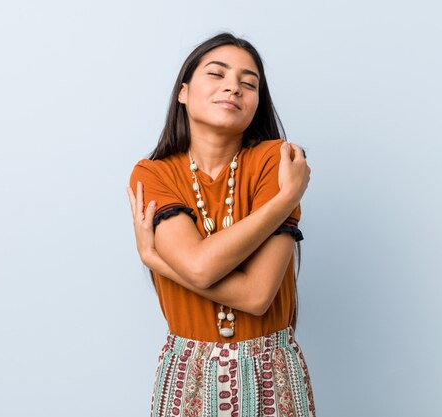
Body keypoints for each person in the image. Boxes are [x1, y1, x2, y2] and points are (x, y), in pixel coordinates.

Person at [126, 32, 316, 417]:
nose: (234, 86)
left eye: (249, 83)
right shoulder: (152, 174)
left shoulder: (276, 162)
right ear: (183, 92)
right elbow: (199, 266)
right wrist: (285, 201)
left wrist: (155, 257)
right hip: (187, 374)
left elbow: (257, 297)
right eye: (217, 74)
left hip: (270, 371)